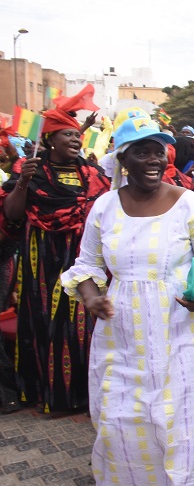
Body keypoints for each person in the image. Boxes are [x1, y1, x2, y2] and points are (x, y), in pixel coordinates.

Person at [60, 114, 194, 486]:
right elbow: (86, 265)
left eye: (159, 151)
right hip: (121, 330)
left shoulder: (190, 204)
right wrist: (90, 296)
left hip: (180, 328)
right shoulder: (104, 207)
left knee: (177, 422)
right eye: (142, 151)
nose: (154, 159)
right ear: (124, 159)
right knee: (119, 421)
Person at [0, 106, 110, 412]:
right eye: (68, 134)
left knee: (79, 323)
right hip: (42, 257)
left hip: (81, 256)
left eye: (77, 134)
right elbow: (12, 213)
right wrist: (23, 182)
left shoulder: (91, 173)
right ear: (50, 140)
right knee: (44, 320)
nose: (75, 139)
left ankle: (81, 395)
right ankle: (47, 392)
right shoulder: (30, 169)